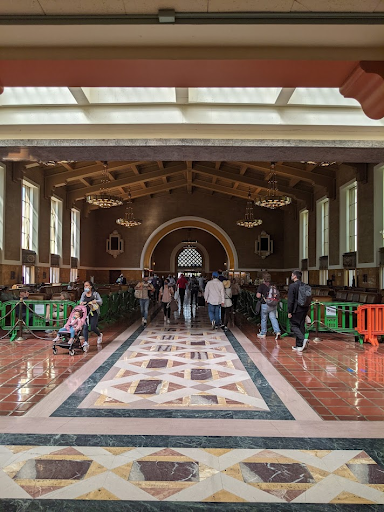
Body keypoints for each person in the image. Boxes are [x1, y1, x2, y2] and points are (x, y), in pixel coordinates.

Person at [288, 270, 309, 352]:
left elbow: (291, 300)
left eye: (292, 275)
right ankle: (299, 345)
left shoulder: (292, 286)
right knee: (301, 325)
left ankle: (303, 339)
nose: (291, 276)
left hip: (296, 309)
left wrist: (289, 311)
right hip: (304, 308)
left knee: (293, 325)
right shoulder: (304, 285)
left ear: (295, 276)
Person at [256, 273, 281, 341]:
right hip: (273, 304)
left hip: (265, 304)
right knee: (273, 318)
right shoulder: (273, 286)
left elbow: (258, 295)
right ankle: (277, 331)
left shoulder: (261, 286)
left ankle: (263, 333)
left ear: (263, 279)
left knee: (264, 319)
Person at [80, 281, 103, 345]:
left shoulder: (95, 294)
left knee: (93, 327)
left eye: (87, 285)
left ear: (90, 286)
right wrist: (82, 303)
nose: (85, 287)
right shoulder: (83, 294)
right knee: (85, 326)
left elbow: (100, 301)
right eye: (84, 286)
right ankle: (86, 341)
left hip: (94, 312)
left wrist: (95, 301)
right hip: (85, 312)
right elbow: (81, 301)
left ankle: (99, 334)